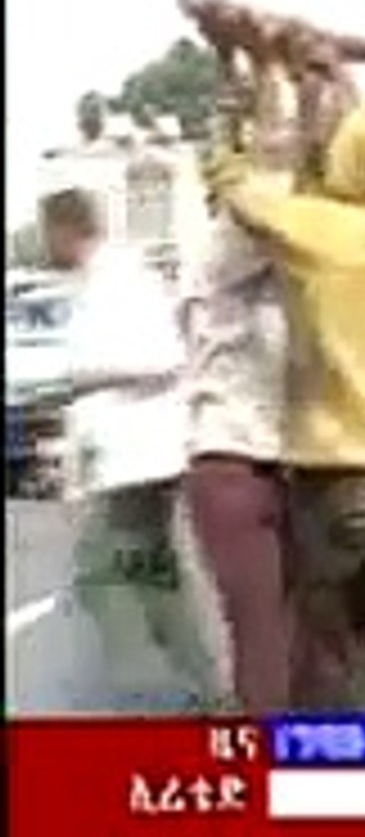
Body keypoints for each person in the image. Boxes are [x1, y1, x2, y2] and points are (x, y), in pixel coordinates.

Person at [206, 101, 365, 711]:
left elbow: (232, 183)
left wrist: (236, 106)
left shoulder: (319, 233)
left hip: (332, 475)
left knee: (327, 642)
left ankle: (332, 781)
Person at [42, 189, 226, 711]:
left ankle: (163, 692)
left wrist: (89, 375)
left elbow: (164, 355)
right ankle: (201, 691)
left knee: (104, 570)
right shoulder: (99, 280)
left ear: (65, 229)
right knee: (151, 574)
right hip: (127, 456)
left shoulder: (121, 278)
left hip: (141, 456)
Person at [179, 189, 290, 714]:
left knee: (298, 632)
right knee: (261, 631)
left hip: (288, 461)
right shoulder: (224, 251)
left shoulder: (278, 285)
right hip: (231, 458)